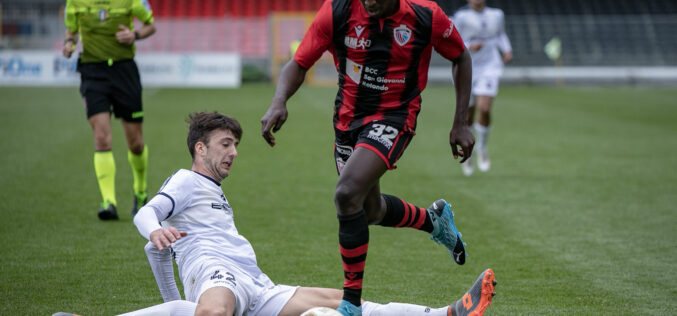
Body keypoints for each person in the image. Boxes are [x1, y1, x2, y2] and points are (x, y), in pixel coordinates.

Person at [108, 111, 494, 316]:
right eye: (225, 144)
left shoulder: (211, 193)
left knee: (345, 304)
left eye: (235, 145)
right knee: (213, 312)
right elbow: (148, 213)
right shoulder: (185, 181)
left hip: (257, 284)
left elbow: (156, 252)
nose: (234, 153)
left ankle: (446, 314)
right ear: (199, 149)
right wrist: (153, 228)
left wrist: (161, 247)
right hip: (217, 274)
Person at [260, 0, 475, 314]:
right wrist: (279, 100)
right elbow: (299, 62)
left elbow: (461, 57)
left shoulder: (425, 16)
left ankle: (350, 304)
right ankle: (433, 221)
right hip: (347, 121)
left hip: (395, 117)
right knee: (368, 210)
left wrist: (460, 123)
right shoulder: (339, 11)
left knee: (347, 193)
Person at [62, 0, 156, 219]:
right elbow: (72, 30)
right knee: (102, 138)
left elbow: (151, 26)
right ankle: (108, 202)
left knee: (136, 144)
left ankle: (140, 192)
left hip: (124, 71)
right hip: (93, 72)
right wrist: (69, 43)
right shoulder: (75, 2)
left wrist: (135, 36)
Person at [451, 0, 513, 176]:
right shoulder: (461, 17)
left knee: (484, 108)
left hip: (490, 66)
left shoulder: (497, 14)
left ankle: (482, 148)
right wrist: (469, 46)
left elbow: (500, 34)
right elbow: (453, 39)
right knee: (468, 114)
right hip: (468, 67)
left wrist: (507, 50)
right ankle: (468, 151)